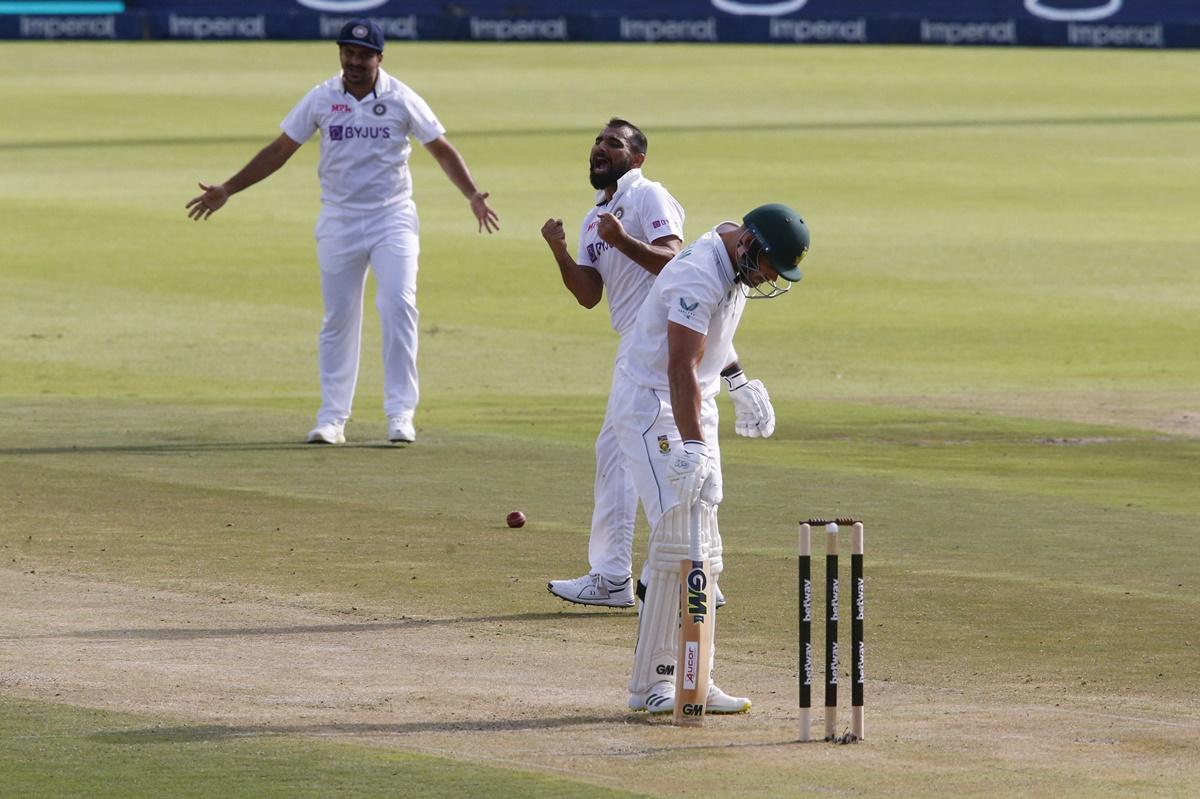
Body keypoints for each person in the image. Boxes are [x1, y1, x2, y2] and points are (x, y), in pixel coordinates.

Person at [186, 19, 499, 445]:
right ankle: (332, 418)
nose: (353, 62)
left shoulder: (401, 98)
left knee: (398, 305)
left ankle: (399, 414)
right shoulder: (322, 97)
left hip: (392, 217)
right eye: (347, 53)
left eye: (363, 55)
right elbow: (280, 150)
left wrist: (471, 195)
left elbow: (441, 148)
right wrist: (228, 188)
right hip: (339, 218)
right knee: (338, 318)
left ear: (379, 58)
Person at [542, 121, 779, 610]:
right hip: (642, 346)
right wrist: (560, 251)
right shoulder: (594, 219)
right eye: (599, 141)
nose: (601, 148)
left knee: (683, 473)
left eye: (615, 143)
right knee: (617, 460)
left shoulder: (650, 196)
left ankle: (682, 572)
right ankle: (624, 576)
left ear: (637, 158)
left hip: (662, 345)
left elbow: (676, 262)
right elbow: (589, 295)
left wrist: (624, 239)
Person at [612, 203, 809, 715]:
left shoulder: (733, 249)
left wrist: (737, 378)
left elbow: (713, 335)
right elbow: (680, 365)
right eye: (769, 266)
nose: (768, 278)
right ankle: (654, 683)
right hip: (655, 407)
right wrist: (693, 444)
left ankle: (696, 674)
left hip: (693, 404)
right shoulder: (700, 274)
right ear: (750, 244)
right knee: (678, 541)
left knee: (706, 547)